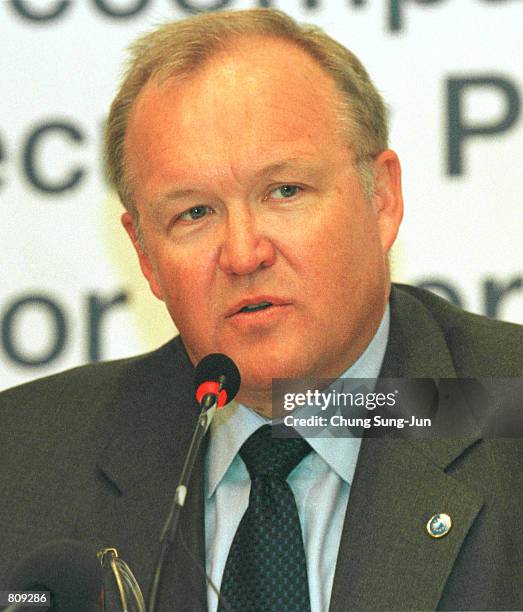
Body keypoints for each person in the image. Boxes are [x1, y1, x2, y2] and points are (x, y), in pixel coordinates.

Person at [1, 8, 521, 611]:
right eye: (193, 213)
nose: (244, 253)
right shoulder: (19, 466)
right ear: (145, 255)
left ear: (381, 200)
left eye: (285, 192)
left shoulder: (504, 404)